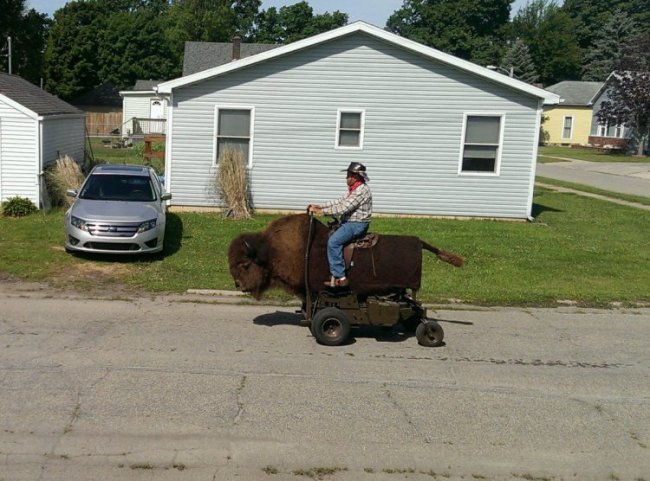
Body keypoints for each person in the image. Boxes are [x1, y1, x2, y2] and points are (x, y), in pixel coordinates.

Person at [308, 162, 372, 287]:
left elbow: (343, 208)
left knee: (333, 242)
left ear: (356, 176)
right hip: (349, 222)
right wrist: (320, 206)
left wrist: (321, 212)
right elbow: (340, 200)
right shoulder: (355, 189)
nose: (346, 177)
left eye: (348, 175)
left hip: (356, 224)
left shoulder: (361, 191)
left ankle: (341, 277)